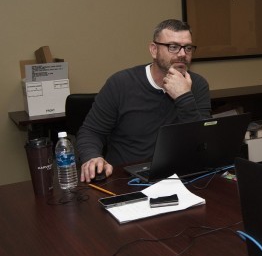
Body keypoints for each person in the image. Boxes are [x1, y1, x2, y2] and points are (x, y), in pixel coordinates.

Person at [77, 19, 212, 182]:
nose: (183, 54)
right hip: (125, 178)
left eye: (188, 48)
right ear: (154, 50)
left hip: (180, 176)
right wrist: (92, 157)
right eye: (173, 47)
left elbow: (203, 145)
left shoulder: (198, 85)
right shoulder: (121, 83)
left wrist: (184, 97)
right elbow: (91, 131)